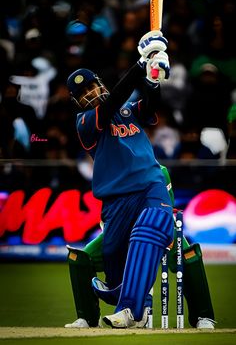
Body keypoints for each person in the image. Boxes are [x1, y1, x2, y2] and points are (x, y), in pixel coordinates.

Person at [66, 29, 174, 328]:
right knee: (113, 253)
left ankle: (133, 309)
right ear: (78, 103)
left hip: (149, 184)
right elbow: (114, 100)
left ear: (100, 83)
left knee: (150, 227)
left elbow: (150, 106)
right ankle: (124, 302)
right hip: (115, 200)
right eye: (82, 93)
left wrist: (153, 79)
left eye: (91, 87)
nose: (89, 93)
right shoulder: (86, 123)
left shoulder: (128, 110)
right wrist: (141, 66)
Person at [65, 164, 216, 330]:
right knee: (80, 258)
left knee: (189, 256)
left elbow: (167, 205)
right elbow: (107, 211)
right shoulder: (111, 171)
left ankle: (204, 316)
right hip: (121, 229)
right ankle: (88, 318)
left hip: (155, 227)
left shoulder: (159, 170)